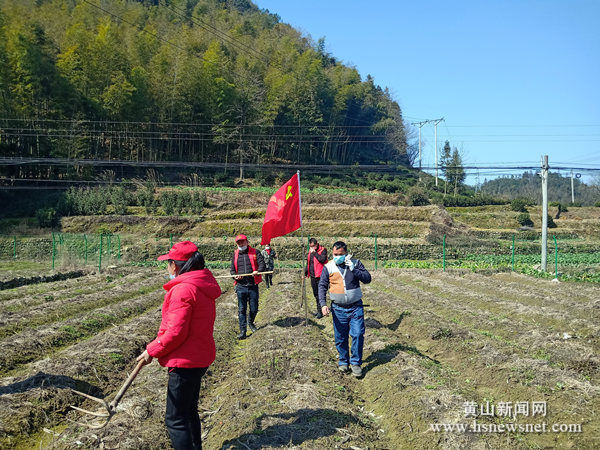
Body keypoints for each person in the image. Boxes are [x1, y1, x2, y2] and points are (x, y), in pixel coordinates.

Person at [137, 241, 222, 450]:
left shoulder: (183, 290)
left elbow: (175, 332)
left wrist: (152, 349)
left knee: (175, 420)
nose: (167, 268)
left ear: (175, 266)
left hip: (185, 361)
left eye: (168, 263)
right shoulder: (201, 285)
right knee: (189, 411)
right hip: (199, 357)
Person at [318, 241, 371, 378]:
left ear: (346, 254)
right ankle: (343, 361)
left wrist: (354, 269)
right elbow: (322, 286)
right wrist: (323, 304)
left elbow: (367, 279)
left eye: (340, 255)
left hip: (355, 307)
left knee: (358, 334)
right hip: (338, 308)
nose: (337, 257)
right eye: (335, 254)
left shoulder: (356, 263)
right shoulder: (328, 267)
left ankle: (356, 363)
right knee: (340, 337)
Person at [230, 234, 266, 339]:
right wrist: (235, 276)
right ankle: (243, 331)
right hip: (241, 286)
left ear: (247, 242)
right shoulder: (235, 254)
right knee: (242, 309)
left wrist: (258, 271)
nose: (241, 244)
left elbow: (262, 265)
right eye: (238, 242)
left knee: (254, 308)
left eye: (242, 241)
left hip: (252, 284)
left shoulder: (256, 252)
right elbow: (232, 270)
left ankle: (251, 322)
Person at [304, 238, 328, 318]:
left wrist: (315, 253)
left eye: (313, 246)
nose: (312, 248)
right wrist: (305, 272)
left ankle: (322, 310)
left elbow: (322, 260)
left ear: (317, 244)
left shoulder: (323, 250)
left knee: (321, 293)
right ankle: (319, 310)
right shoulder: (310, 252)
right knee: (315, 294)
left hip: (321, 275)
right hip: (313, 276)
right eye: (310, 246)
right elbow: (309, 263)